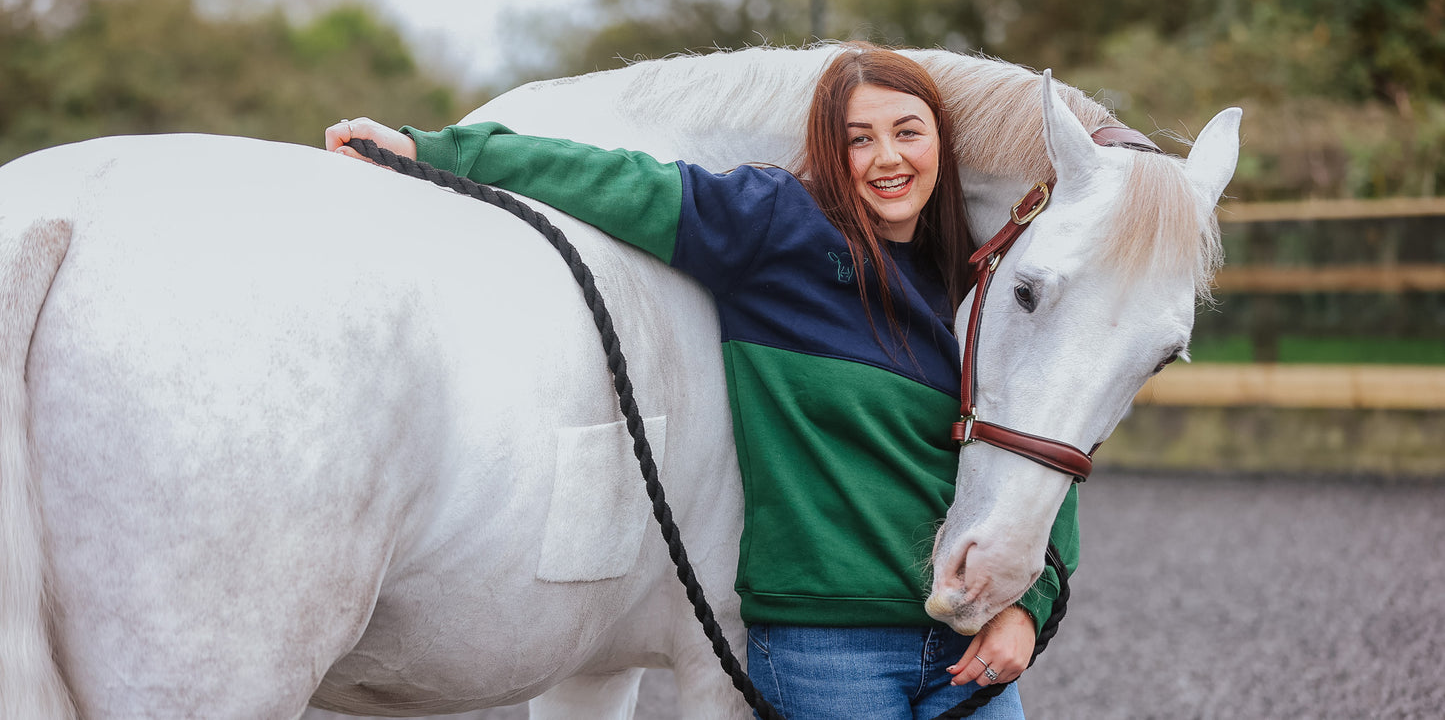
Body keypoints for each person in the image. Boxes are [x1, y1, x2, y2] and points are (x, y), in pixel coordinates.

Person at [325, 42, 1079, 720]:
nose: (887, 156)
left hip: (965, 646)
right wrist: (432, 148)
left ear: (939, 145)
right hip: (829, 649)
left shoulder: (977, 284)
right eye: (858, 138)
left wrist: (1030, 607)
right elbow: (615, 182)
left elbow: (1037, 450)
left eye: (907, 131)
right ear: (829, 150)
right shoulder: (776, 229)